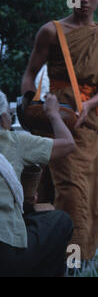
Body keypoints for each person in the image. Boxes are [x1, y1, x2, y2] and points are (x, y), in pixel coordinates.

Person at [20, 0, 98, 260]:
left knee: (85, 188)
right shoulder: (51, 31)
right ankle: (60, 254)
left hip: (90, 124)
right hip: (55, 117)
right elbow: (30, 73)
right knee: (66, 187)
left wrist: (90, 104)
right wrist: (27, 103)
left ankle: (72, 258)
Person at [0, 91, 75, 277]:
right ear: (3, 118)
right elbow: (68, 144)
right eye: (10, 115)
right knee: (60, 221)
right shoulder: (14, 140)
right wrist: (53, 114)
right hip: (4, 253)